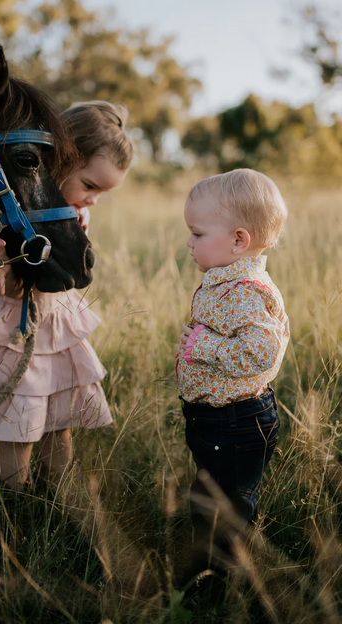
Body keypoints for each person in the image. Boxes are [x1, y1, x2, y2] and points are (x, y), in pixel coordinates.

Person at [0, 101, 133, 490]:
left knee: (59, 418)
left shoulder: (70, 218)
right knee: (15, 419)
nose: (92, 200)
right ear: (57, 162)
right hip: (11, 329)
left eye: (102, 193)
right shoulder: (9, 198)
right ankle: (15, 495)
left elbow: (52, 262)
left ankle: (56, 492)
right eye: (90, 186)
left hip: (51, 329)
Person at [176, 169, 289, 585]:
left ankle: (220, 579)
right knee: (212, 492)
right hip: (217, 419)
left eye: (198, 233)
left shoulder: (245, 290)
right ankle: (211, 557)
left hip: (236, 421)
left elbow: (261, 352)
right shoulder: (227, 280)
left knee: (227, 504)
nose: (189, 242)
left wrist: (198, 348)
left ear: (239, 240)